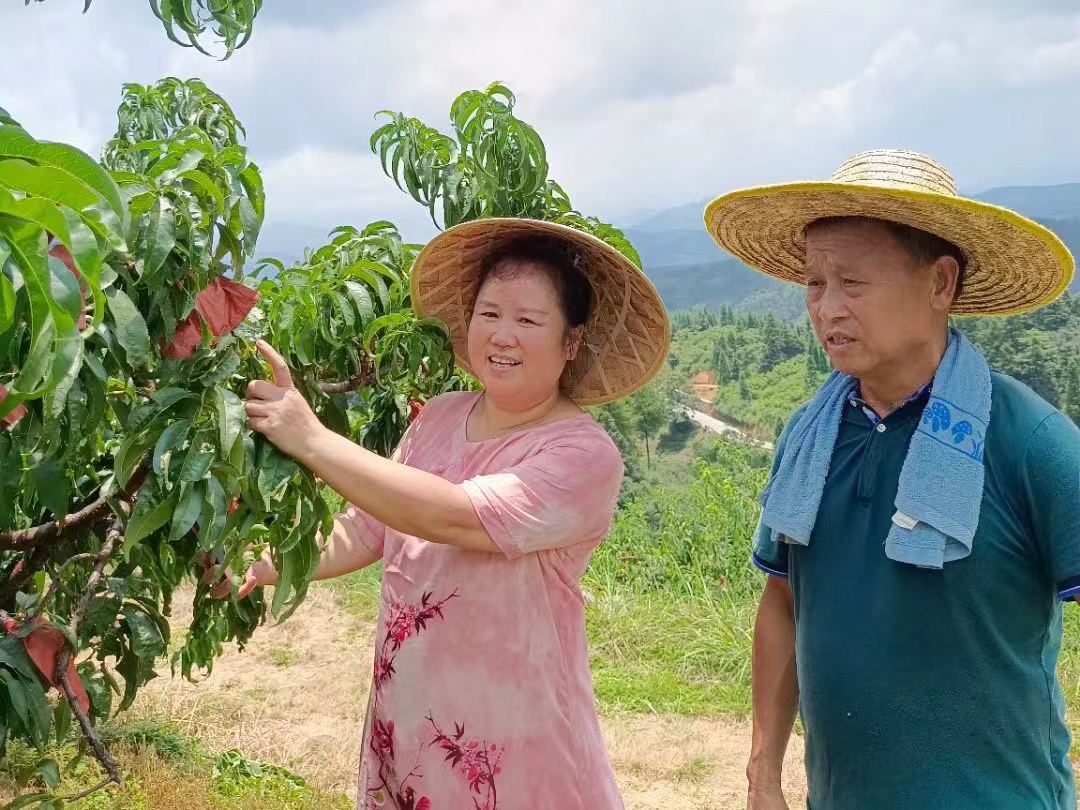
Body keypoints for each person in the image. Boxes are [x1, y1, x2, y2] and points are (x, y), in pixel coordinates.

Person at [238, 218, 669, 810]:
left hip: (513, 749)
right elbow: (368, 526)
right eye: (489, 314)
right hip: (410, 723)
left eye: (527, 320)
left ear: (572, 341)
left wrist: (311, 439)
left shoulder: (582, 455)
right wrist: (267, 564)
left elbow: (455, 516)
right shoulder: (439, 416)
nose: (502, 335)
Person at [704, 149, 1080, 809]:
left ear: (940, 283)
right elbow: (785, 602)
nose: (826, 309)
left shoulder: (1030, 442)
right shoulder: (809, 438)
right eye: (815, 284)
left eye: (853, 282)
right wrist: (764, 773)